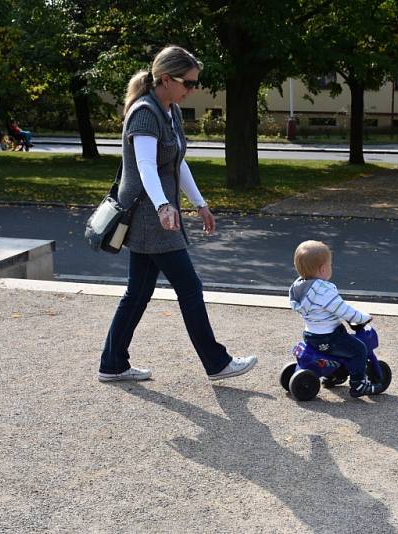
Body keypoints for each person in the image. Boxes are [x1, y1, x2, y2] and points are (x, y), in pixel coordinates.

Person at [98, 45, 257, 383]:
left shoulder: (170, 111)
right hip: (149, 218)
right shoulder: (144, 112)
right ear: (166, 79)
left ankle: (112, 363)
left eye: (195, 83)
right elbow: (144, 167)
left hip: (158, 215)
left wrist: (200, 204)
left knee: (138, 292)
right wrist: (162, 206)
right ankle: (217, 362)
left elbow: (176, 162)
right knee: (189, 288)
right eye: (188, 83)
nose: (193, 90)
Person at [288, 240, 384, 398]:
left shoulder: (299, 288)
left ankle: (334, 374)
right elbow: (343, 310)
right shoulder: (323, 291)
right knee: (359, 349)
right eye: (330, 265)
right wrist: (362, 317)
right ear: (323, 269)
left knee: (343, 348)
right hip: (329, 337)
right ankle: (359, 384)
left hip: (311, 335)